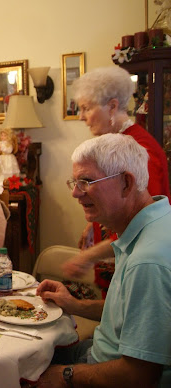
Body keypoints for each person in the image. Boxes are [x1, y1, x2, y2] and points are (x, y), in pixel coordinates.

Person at [36, 134, 170, 388]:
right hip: (101, 351)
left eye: (86, 181)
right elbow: (128, 317)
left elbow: (138, 376)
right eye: (74, 182)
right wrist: (73, 304)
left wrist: (64, 375)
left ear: (126, 183)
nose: (75, 193)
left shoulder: (147, 262)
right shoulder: (155, 222)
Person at [63, 66, 170, 278]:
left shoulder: (138, 149)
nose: (81, 117)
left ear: (112, 106)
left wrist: (87, 257)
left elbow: (142, 223)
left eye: (86, 108)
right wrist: (93, 224)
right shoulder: (119, 143)